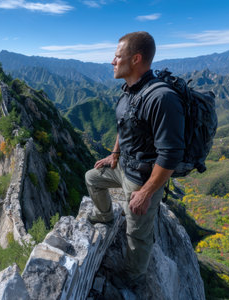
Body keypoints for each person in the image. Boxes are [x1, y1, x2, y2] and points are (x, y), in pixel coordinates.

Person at [85, 31, 185, 290]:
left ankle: (133, 279)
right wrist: (114, 154)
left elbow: (170, 154)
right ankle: (105, 216)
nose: (112, 61)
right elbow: (124, 125)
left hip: (142, 180)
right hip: (123, 167)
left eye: (118, 56)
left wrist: (146, 193)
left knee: (136, 235)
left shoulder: (161, 98)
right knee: (92, 178)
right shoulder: (130, 90)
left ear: (136, 59)